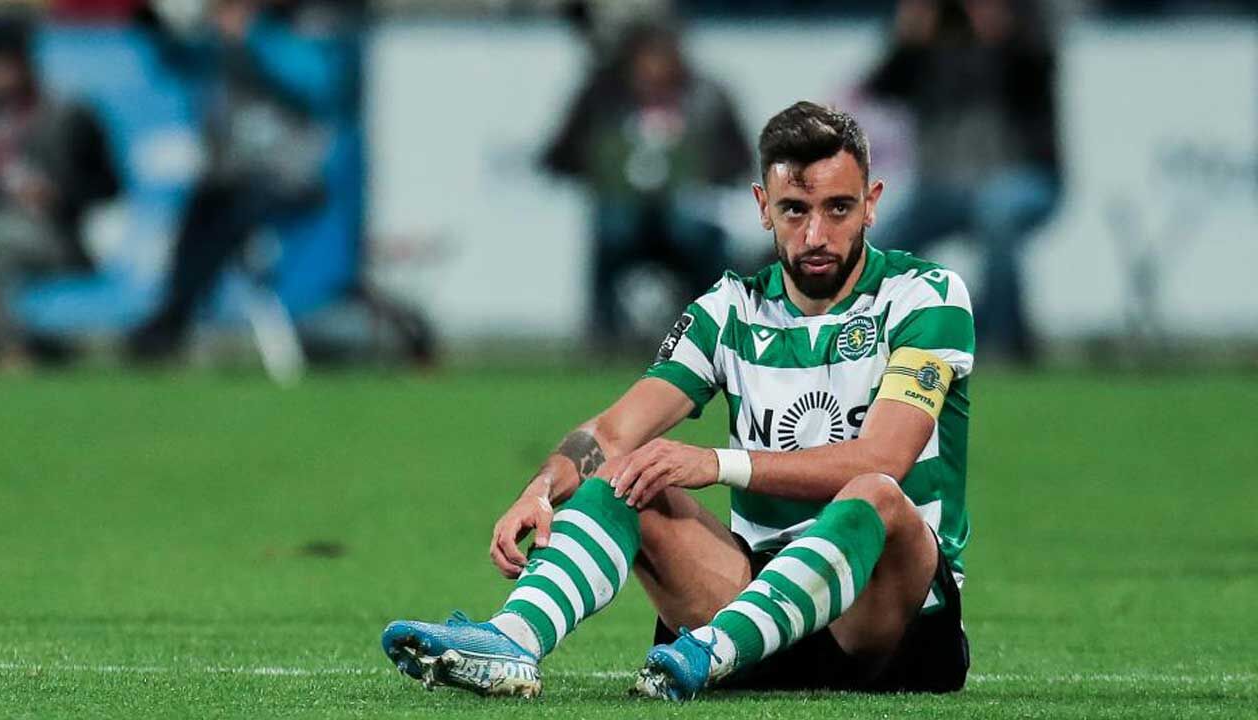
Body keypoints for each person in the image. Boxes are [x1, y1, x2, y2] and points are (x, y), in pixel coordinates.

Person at [382, 102, 974, 700]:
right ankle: (511, 640)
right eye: (795, 209)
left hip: (889, 622)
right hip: (758, 611)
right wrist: (539, 490)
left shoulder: (925, 297)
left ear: (872, 202)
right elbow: (611, 432)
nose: (816, 235)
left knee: (875, 494)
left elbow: (884, 457)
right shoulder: (729, 310)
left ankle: (709, 652)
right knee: (623, 476)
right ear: (762, 207)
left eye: (838, 208)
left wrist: (714, 463)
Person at [127, 0, 364, 359]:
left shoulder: (294, 34)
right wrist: (155, 30)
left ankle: (172, 322)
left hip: (291, 180)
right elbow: (180, 62)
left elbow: (314, 83)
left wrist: (251, 35)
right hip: (234, 183)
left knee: (228, 212)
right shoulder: (221, 47)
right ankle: (172, 318)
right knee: (203, 213)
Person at [864, 0, 1059, 364]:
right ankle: (862, 341)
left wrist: (999, 33)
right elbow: (881, 90)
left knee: (997, 214)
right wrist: (907, 42)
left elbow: (1036, 73)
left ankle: (1004, 339)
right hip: (943, 187)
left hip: (1020, 174)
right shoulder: (931, 34)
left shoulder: (1024, 21)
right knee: (877, 248)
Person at [542, 19, 751, 348]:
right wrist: (604, 166)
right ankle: (604, 334)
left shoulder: (707, 96)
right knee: (614, 226)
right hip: (624, 209)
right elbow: (560, 154)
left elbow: (739, 158)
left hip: (687, 211)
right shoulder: (603, 97)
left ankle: (717, 327)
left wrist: (701, 171)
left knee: (695, 231)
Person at [0, 12, 120, 365]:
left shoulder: (68, 114)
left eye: (3, 64)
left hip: (59, 236)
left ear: (25, 62)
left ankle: (14, 347)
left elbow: (108, 186)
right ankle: (8, 343)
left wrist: (57, 195)